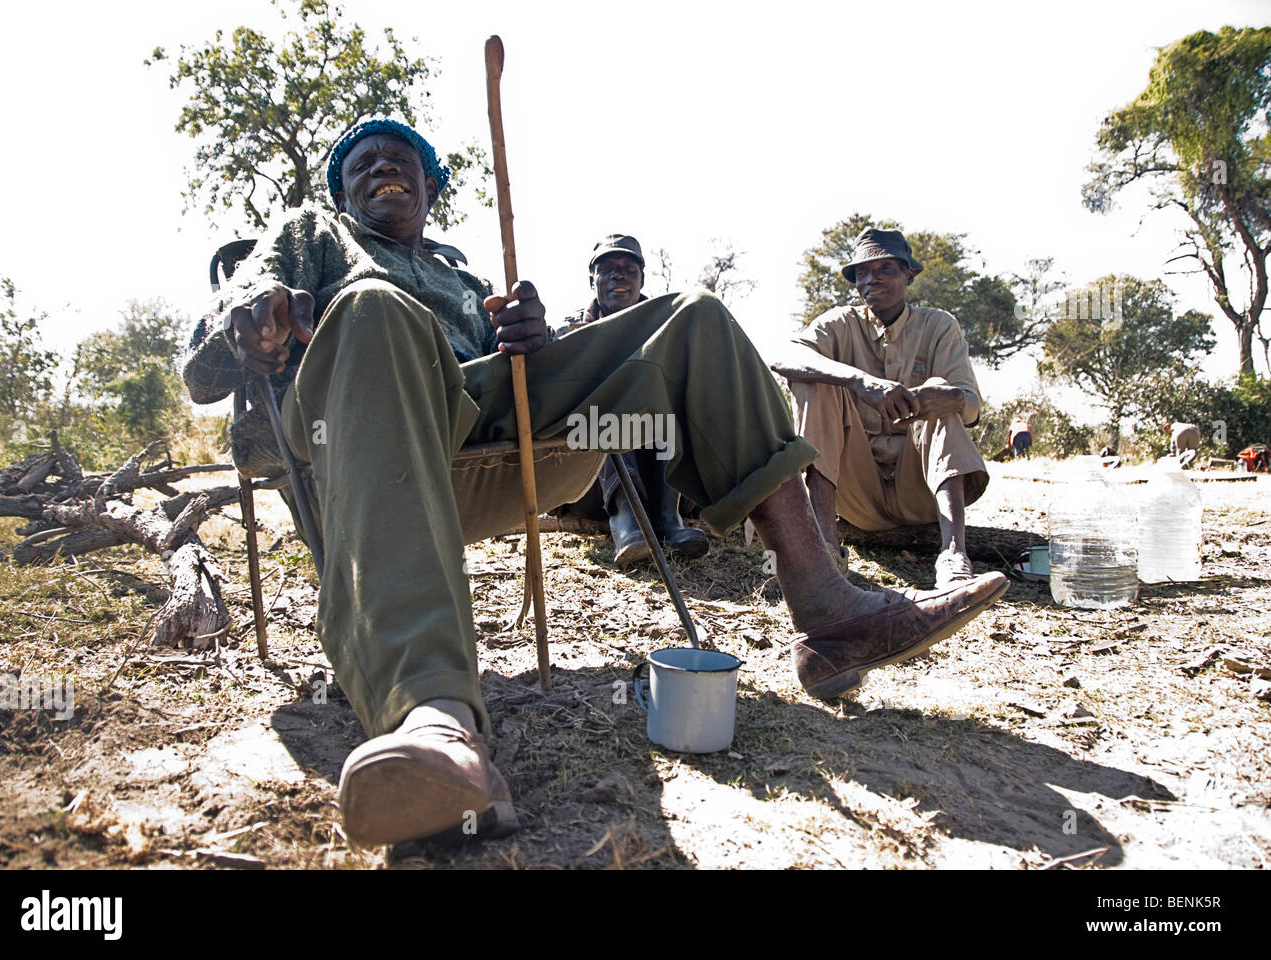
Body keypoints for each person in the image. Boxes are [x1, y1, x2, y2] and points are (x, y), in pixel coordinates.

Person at [183, 120, 1009, 848]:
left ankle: (826, 608)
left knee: (694, 314)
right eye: (361, 163)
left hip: (517, 449)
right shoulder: (313, 236)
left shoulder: (461, 273)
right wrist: (247, 319)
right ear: (339, 191)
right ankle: (433, 718)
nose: (381, 169)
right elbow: (202, 362)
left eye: (402, 160)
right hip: (373, 448)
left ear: (433, 187)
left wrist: (528, 337)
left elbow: (511, 378)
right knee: (368, 306)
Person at [771, 227, 991, 590]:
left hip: (920, 491)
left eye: (885, 268)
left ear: (909, 274)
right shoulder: (839, 323)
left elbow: (969, 405)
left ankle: (954, 553)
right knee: (817, 377)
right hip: (855, 494)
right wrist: (859, 381)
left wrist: (941, 399)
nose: (872, 279)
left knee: (941, 392)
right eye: (862, 272)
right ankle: (825, 545)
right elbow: (784, 356)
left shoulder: (938, 325)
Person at [554, 233, 709, 567]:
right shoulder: (568, 335)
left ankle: (669, 520)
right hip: (589, 483)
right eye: (607, 268)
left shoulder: (666, 328)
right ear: (591, 279)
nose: (618, 274)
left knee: (663, 382)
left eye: (628, 268)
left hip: (664, 478)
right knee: (607, 391)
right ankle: (627, 517)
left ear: (642, 279)